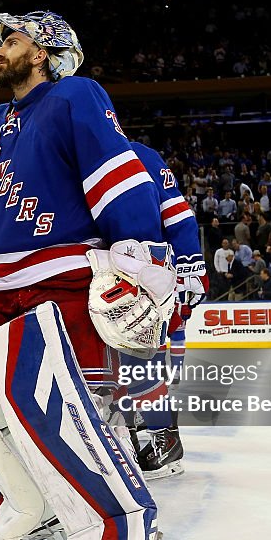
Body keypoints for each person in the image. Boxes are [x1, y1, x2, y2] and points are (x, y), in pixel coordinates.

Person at [0, 10, 166, 540]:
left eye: (12, 41)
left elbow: (115, 173)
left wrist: (138, 252)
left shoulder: (75, 98)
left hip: (58, 277)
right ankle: (31, 506)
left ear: (42, 52)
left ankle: (118, 522)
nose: (0, 50)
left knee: (66, 406)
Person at [117, 141, 207, 480]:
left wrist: (190, 266)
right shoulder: (65, 154)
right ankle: (126, 436)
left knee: (140, 358)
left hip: (142, 270)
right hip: (92, 269)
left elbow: (178, 214)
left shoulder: (142, 155)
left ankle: (163, 439)